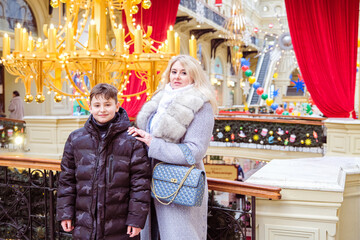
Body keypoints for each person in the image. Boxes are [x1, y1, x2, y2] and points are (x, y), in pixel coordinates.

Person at [128, 55, 217, 240]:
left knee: (176, 234)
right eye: (174, 72)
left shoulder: (201, 105)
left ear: (194, 77)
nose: (177, 77)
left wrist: (154, 144)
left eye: (184, 73)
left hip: (177, 182)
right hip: (148, 179)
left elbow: (195, 151)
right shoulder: (159, 100)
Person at [56, 83, 151, 240]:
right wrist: (65, 213)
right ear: (90, 107)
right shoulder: (76, 139)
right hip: (85, 224)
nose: (102, 110)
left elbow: (140, 184)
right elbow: (67, 181)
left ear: (117, 105)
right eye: (97, 105)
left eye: (107, 104)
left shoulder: (132, 141)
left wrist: (136, 219)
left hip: (120, 226)